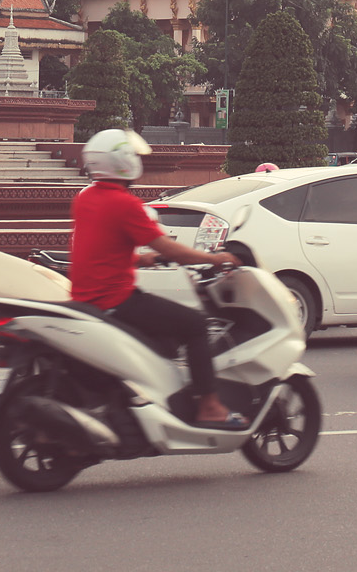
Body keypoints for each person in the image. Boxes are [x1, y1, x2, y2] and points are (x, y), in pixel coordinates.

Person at [71, 128, 243, 429]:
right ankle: (210, 406)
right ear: (123, 161)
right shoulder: (125, 204)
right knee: (195, 324)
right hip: (116, 300)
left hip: (87, 299)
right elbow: (170, 248)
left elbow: (101, 249)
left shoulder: (85, 198)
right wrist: (213, 258)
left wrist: (141, 259)